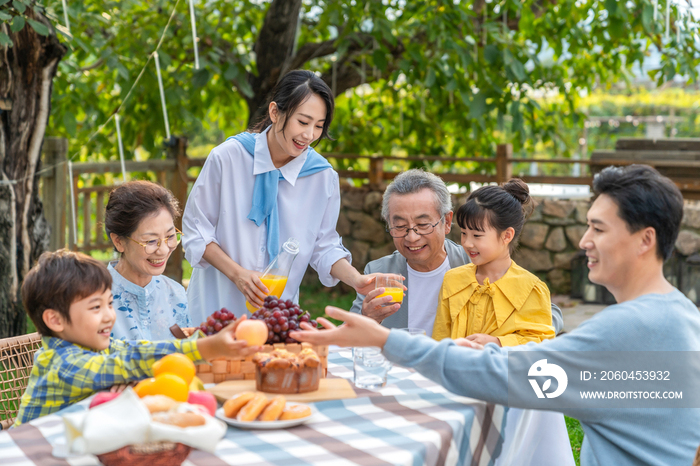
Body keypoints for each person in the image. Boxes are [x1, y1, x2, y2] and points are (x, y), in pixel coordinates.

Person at [292, 165, 700, 465]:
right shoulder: (682, 317)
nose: (583, 240)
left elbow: (508, 373)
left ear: (645, 240)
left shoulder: (624, 332)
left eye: (598, 228)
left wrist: (384, 340)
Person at [183, 70, 378, 326]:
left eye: (319, 126)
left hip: (278, 318)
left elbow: (324, 246)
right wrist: (238, 274)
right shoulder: (227, 158)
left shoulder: (322, 177)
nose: (309, 135)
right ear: (275, 112)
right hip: (216, 310)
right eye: (303, 122)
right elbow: (197, 232)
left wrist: (357, 280)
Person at [14, 249, 260, 426]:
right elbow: (128, 363)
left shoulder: (98, 347)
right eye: (95, 308)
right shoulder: (62, 364)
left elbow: (138, 350)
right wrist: (206, 347)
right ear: (55, 320)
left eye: (109, 304)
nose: (110, 316)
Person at [349, 169, 564, 337]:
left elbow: (549, 314)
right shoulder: (379, 272)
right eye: (400, 226)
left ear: (447, 222)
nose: (411, 237)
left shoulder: (474, 263)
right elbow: (347, 334)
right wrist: (368, 318)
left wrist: (501, 339)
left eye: (423, 224)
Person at [432, 179, 555, 346]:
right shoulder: (452, 280)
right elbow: (440, 339)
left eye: (477, 235)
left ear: (507, 235)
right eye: (463, 233)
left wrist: (498, 342)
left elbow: (541, 342)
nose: (467, 243)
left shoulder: (531, 289)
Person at [105, 181, 191, 341]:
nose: (164, 250)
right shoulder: (94, 297)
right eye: (151, 241)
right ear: (119, 241)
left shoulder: (176, 295)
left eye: (170, 236)